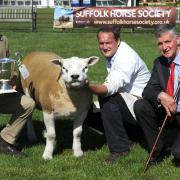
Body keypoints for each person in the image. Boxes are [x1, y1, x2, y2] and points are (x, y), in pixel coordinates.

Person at [87, 26, 150, 164]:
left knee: (108, 99)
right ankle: (130, 136)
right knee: (86, 110)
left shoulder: (126, 58)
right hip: (128, 100)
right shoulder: (114, 53)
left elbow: (109, 88)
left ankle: (120, 149)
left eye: (108, 43)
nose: (104, 47)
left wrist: (85, 86)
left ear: (118, 41)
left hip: (143, 107)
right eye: (101, 43)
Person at [134, 24, 180, 167]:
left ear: (178, 40)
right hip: (168, 111)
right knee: (140, 105)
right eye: (160, 43)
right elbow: (147, 90)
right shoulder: (159, 63)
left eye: (167, 42)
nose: (164, 47)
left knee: (178, 154)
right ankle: (159, 149)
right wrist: (161, 95)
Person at [0, 35, 35, 157]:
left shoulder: (3, 40)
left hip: (2, 93)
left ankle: (5, 141)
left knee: (27, 104)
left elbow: (6, 63)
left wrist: (13, 78)